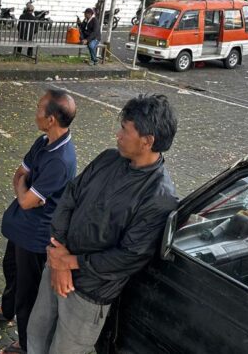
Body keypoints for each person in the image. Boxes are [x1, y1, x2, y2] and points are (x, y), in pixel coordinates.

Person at [27, 94, 179, 354]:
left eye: (125, 130)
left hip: (89, 291)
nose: (118, 135)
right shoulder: (108, 158)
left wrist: (71, 262)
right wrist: (59, 251)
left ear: (147, 141)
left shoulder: (159, 197)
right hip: (56, 262)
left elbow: (129, 256)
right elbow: (70, 197)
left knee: (64, 349)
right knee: (37, 333)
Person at [0, 89, 77, 354]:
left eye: (39, 108)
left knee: (27, 291)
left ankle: (26, 343)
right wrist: (24, 187)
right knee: (11, 269)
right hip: (22, 227)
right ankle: (6, 309)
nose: (35, 112)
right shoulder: (43, 141)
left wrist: (24, 190)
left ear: (51, 119)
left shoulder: (60, 160)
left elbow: (26, 201)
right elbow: (19, 175)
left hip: (35, 236)